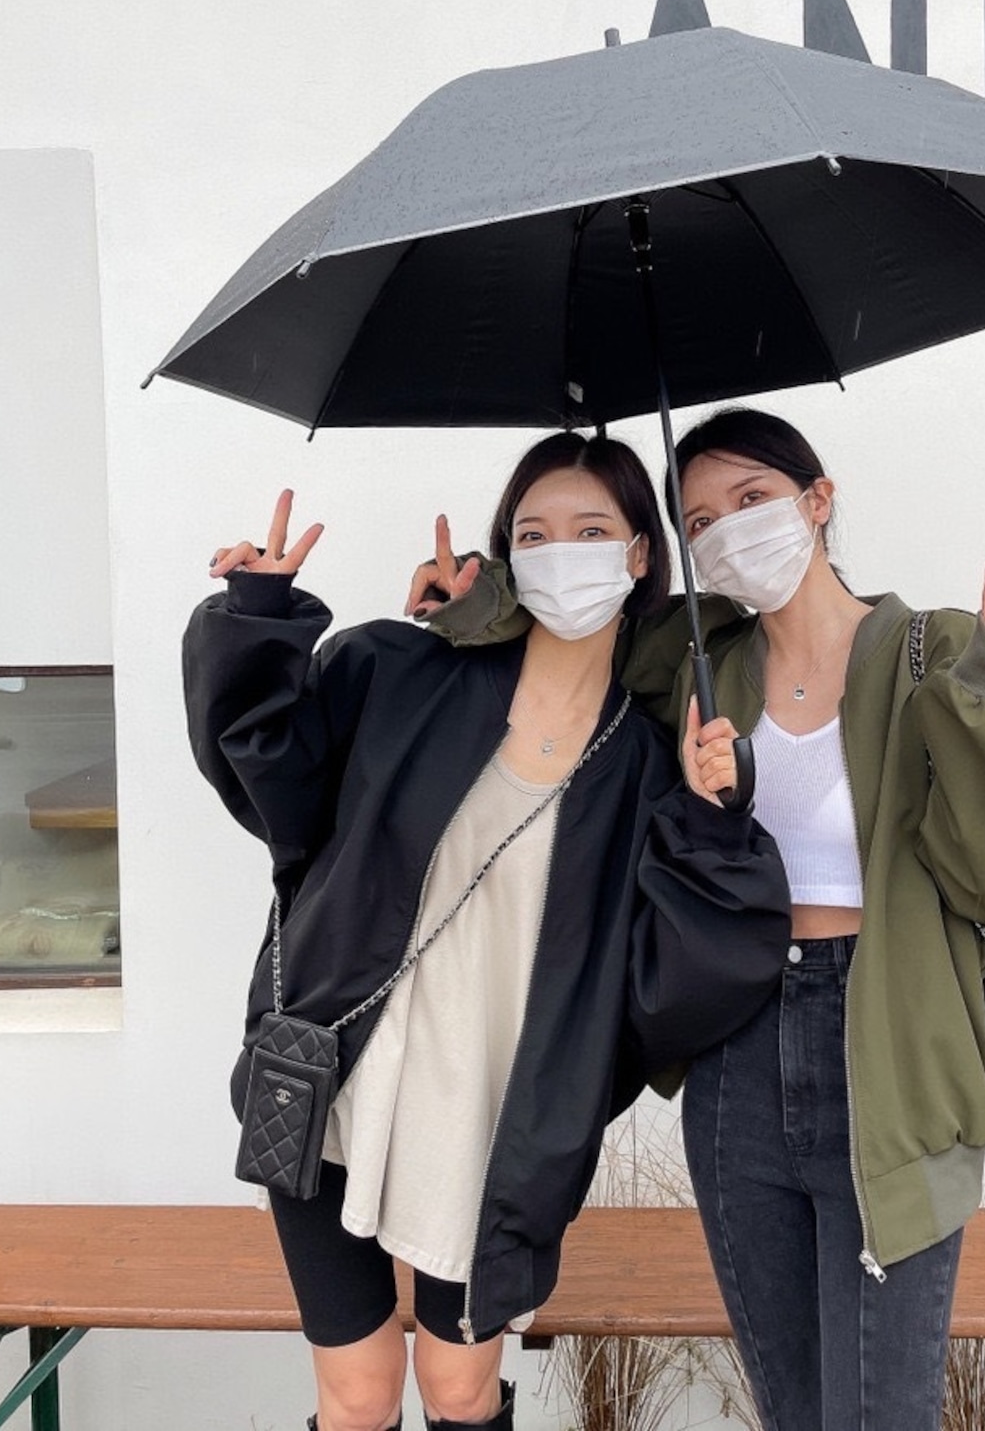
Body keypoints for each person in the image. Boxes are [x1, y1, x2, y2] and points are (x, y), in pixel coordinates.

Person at [411, 406, 985, 1431]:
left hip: (886, 1046)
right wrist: (475, 606)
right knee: (791, 1409)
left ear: (817, 501)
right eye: (700, 521)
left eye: (752, 500)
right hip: (736, 1051)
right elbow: (576, 634)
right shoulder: (701, 661)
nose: (728, 532)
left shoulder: (939, 653)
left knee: (878, 1414)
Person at [183, 431, 790, 1431]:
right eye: (534, 534)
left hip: (494, 1128)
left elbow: (675, 991)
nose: (563, 555)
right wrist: (256, 616)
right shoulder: (402, 672)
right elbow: (270, 778)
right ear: (505, 553)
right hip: (334, 1083)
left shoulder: (645, 766)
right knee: (357, 1394)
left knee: (460, 1389)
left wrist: (713, 828)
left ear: (641, 553)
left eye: (591, 531)